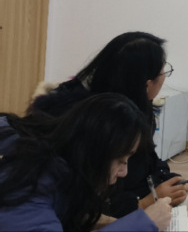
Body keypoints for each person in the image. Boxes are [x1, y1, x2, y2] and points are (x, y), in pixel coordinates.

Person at [29, 32, 188, 217]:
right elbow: (86, 203)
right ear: (146, 85)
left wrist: (167, 179)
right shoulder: (92, 123)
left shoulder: (132, 104)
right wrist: (146, 201)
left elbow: (147, 156)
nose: (164, 78)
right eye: (163, 72)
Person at [0, 93, 173, 231]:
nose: (124, 172)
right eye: (121, 160)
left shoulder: (53, 163)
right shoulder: (27, 181)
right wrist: (144, 223)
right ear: (94, 154)